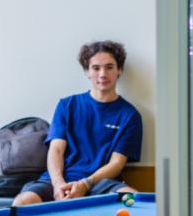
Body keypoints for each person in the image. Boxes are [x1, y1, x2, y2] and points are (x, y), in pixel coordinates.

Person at [12, 41, 142, 206]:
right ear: (87, 71)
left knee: (135, 200)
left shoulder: (130, 115)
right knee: (22, 202)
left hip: (101, 183)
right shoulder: (67, 105)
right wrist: (58, 183)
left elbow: (117, 163)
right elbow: (56, 150)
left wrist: (86, 183)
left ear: (119, 70)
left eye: (109, 67)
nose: (102, 74)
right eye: (96, 68)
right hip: (59, 180)